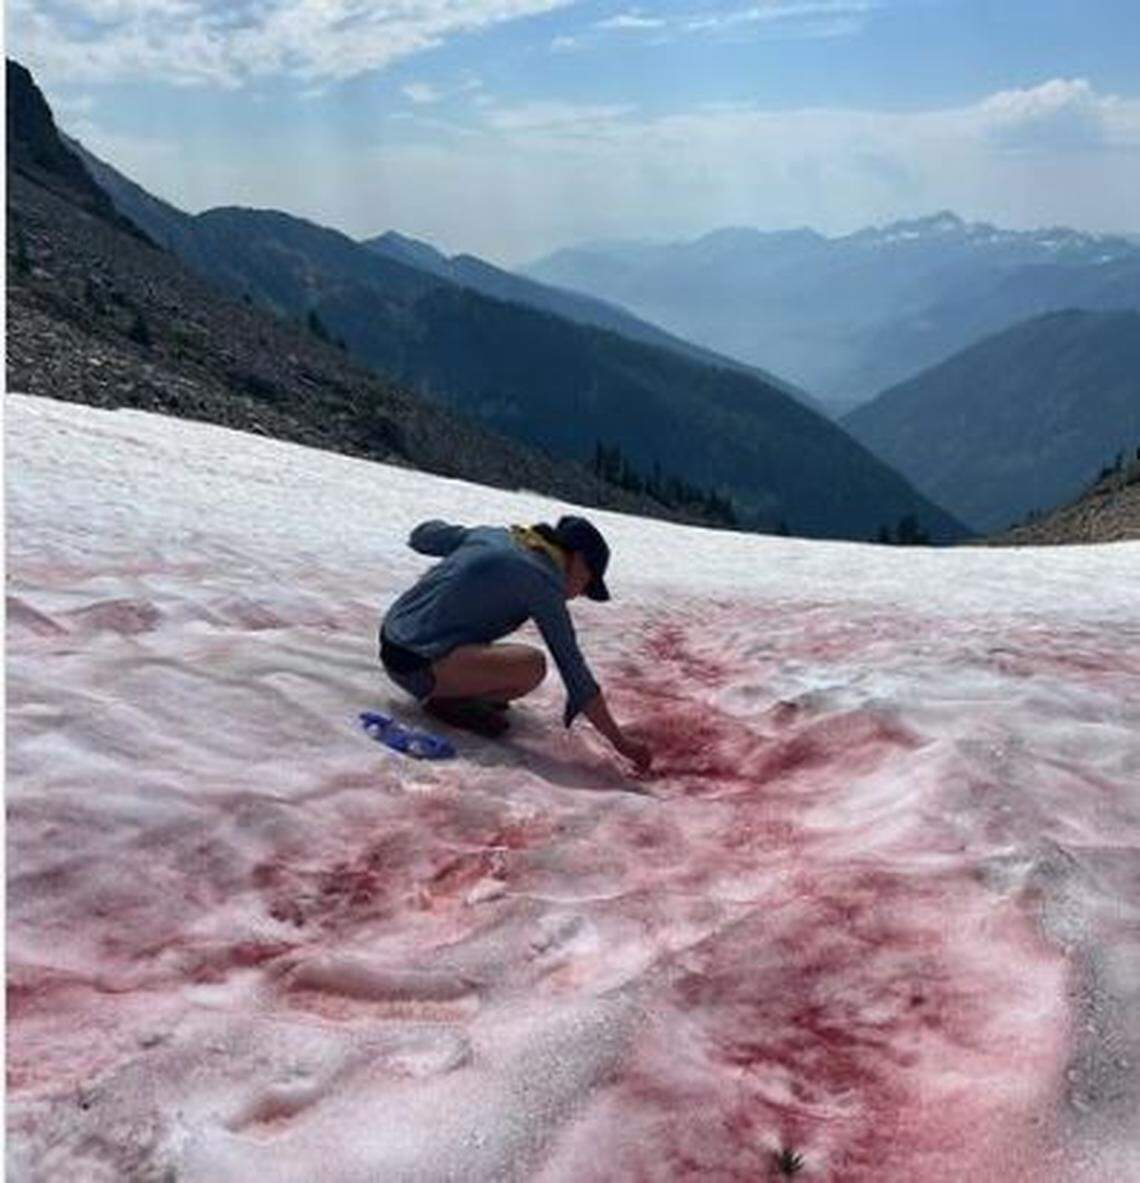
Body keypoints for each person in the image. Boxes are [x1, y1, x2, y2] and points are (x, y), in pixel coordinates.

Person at [379, 515, 652, 771]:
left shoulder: (497, 536)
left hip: (391, 637)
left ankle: (455, 689)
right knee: (531, 667)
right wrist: (621, 743)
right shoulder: (543, 582)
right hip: (415, 665)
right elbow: (575, 673)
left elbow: (423, 536)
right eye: (588, 584)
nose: (581, 593)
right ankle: (447, 701)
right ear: (578, 560)